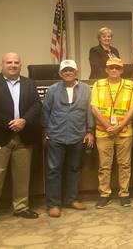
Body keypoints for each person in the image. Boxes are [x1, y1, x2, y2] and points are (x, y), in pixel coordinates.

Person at [0, 53, 41, 229]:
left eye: (16, 62)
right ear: (2, 64)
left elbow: (36, 105)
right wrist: (9, 124)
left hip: (23, 136)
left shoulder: (29, 83)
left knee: (22, 175)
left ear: (21, 65)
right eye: (9, 62)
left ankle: (21, 207)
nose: (13, 65)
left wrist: (24, 121)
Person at [42, 60, 94, 218]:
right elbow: (46, 111)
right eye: (65, 71)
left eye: (71, 70)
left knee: (74, 169)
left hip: (77, 136)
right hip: (56, 136)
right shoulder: (52, 90)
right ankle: (54, 204)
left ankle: (71, 199)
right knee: (53, 170)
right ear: (60, 74)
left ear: (76, 72)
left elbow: (89, 111)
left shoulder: (85, 89)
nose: (68, 73)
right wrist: (45, 132)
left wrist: (90, 131)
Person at [91, 57, 133, 208]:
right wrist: (107, 126)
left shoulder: (130, 86)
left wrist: (119, 126)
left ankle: (124, 193)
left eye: (117, 68)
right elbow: (94, 108)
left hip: (124, 131)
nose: (114, 70)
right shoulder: (98, 85)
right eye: (111, 68)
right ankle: (104, 194)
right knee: (104, 166)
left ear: (122, 70)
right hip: (102, 132)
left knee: (124, 164)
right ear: (106, 70)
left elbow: (132, 109)